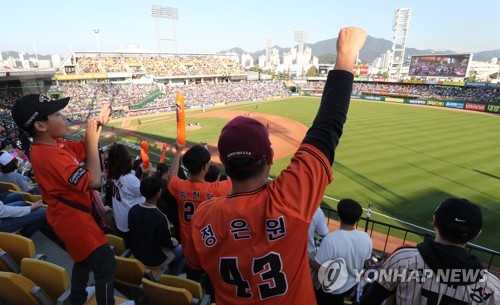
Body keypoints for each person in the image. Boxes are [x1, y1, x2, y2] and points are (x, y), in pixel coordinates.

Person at [183, 27, 367, 305]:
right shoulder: (288, 201)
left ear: (223, 162)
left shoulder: (202, 217)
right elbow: (327, 128)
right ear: (270, 155)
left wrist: (344, 60)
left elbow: (195, 264)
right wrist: (346, 57)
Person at [11, 94, 116, 305]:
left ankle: (77, 298)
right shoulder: (50, 156)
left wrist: (98, 126)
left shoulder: (54, 146)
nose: (65, 117)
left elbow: (84, 149)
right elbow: (94, 180)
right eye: (58, 114)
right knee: (106, 265)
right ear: (41, 126)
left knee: (82, 260)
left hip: (68, 219)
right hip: (76, 222)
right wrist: (95, 143)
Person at [360, 198, 499, 305]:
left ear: (434, 222)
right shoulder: (492, 288)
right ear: (477, 234)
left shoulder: (403, 259)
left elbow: (369, 300)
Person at [167, 143, 232, 246]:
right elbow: (238, 180)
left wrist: (178, 151)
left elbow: (172, 176)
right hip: (208, 244)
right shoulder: (216, 189)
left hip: (187, 245)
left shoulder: (179, 187)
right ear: (205, 167)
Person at [312, 199, 372, 305]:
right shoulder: (366, 238)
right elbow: (366, 260)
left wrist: (308, 260)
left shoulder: (330, 239)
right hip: (349, 287)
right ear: (359, 219)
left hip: (329, 290)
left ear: (337, 213)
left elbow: (318, 266)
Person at [128, 176, 185, 275]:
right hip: (154, 260)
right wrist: (175, 242)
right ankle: (173, 276)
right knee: (185, 250)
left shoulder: (133, 209)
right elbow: (166, 243)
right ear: (158, 193)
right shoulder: (160, 217)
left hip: (138, 253)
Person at [107, 144, 145, 248]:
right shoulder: (129, 179)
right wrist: (147, 174)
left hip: (121, 223)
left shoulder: (115, 174)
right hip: (131, 226)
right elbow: (147, 191)